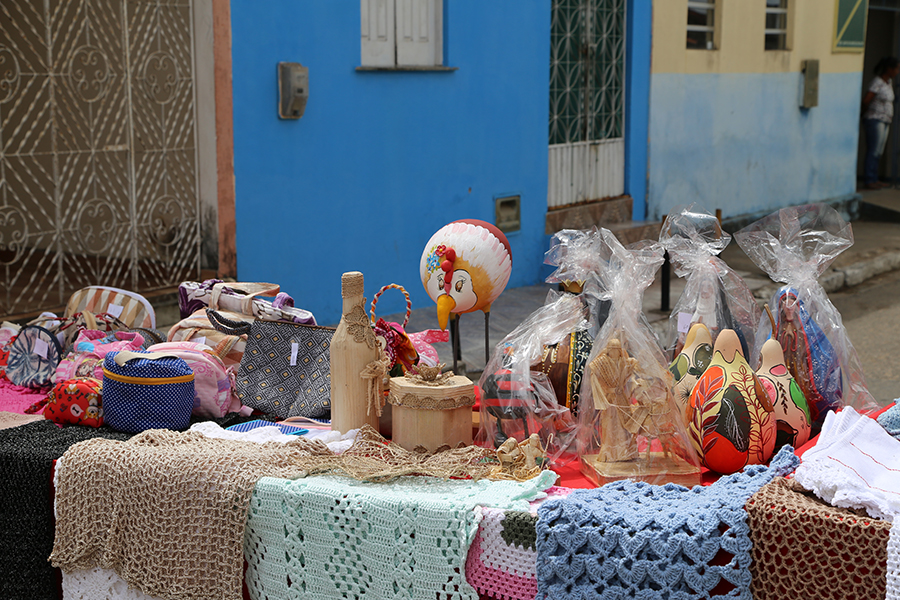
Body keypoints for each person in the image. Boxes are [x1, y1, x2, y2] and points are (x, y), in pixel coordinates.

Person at [862, 56, 900, 190]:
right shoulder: (877, 82)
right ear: (889, 69)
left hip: (885, 120)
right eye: (896, 68)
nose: (897, 71)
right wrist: (864, 114)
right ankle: (869, 179)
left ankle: (874, 178)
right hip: (875, 119)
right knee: (873, 150)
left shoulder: (888, 83)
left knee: (878, 151)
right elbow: (867, 100)